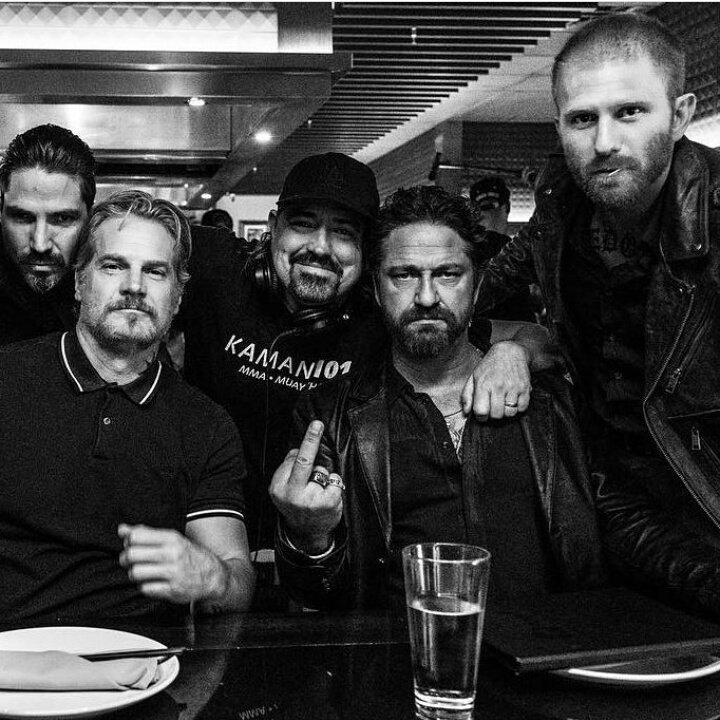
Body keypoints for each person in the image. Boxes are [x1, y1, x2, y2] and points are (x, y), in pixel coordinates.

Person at [476, 12, 720, 619]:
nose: (604, 141)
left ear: (681, 115)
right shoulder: (562, 208)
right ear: (559, 126)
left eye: (630, 112)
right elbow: (472, 294)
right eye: (583, 119)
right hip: (609, 510)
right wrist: (516, 343)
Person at [183, 153, 547, 558]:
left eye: (343, 232)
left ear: (366, 251)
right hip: (204, 541)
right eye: (302, 224)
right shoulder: (214, 267)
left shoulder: (390, 313)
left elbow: (535, 336)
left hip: (315, 547)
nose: (320, 247)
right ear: (272, 227)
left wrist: (510, 353)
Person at [269, 186, 606, 610]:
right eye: (404, 275)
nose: (426, 297)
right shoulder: (329, 417)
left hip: (549, 647)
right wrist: (310, 536)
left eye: (448, 274)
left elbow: (615, 523)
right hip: (404, 649)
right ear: (376, 288)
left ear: (477, 286)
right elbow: (316, 595)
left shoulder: (552, 403)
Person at [0, 190, 255, 623]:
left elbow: (237, 579)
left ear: (177, 296)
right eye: (113, 266)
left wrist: (212, 577)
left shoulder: (205, 425)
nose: (134, 287)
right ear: (79, 282)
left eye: (155, 271)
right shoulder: (8, 378)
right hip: (12, 653)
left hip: (147, 657)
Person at [0, 123, 95, 344]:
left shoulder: (112, 287)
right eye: (23, 217)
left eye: (62, 218)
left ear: (90, 219)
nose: (40, 244)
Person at [469, 176, 536, 322]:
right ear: (508, 207)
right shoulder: (520, 250)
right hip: (516, 330)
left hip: (476, 330)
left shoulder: (464, 251)